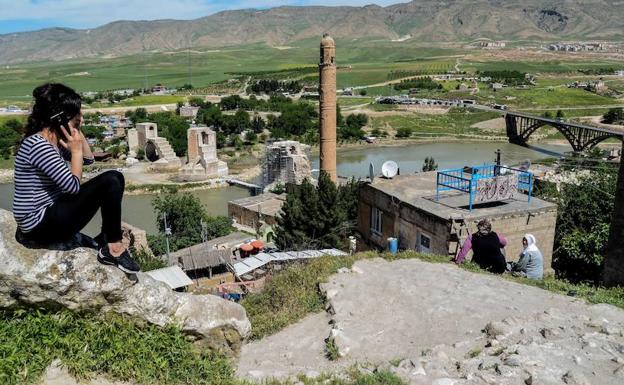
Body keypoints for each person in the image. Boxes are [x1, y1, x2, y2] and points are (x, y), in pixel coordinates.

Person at [12, 83, 140, 274]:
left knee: (115, 178)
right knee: (111, 179)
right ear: (60, 117)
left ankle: (108, 239)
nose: (81, 117)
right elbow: (73, 186)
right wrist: (76, 150)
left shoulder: (52, 140)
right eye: (77, 114)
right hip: (38, 226)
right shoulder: (38, 146)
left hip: (50, 214)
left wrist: (76, 130)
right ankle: (113, 248)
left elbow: (88, 159)